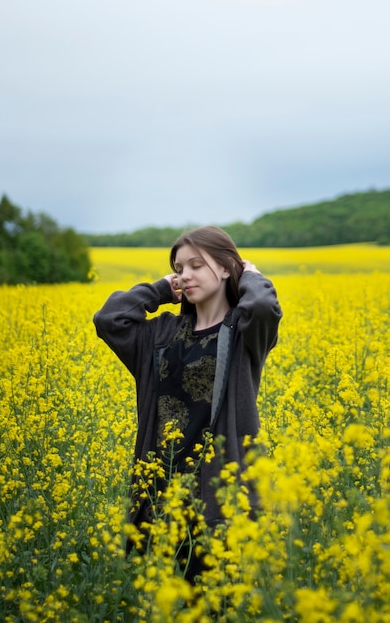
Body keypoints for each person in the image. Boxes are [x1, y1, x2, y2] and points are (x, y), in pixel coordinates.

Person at [93, 226, 282, 581]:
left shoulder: (243, 334)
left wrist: (251, 277)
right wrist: (161, 289)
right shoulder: (161, 333)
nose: (186, 275)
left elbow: (261, 306)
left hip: (217, 497)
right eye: (179, 268)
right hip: (158, 493)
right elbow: (109, 320)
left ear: (226, 267)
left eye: (197, 265)